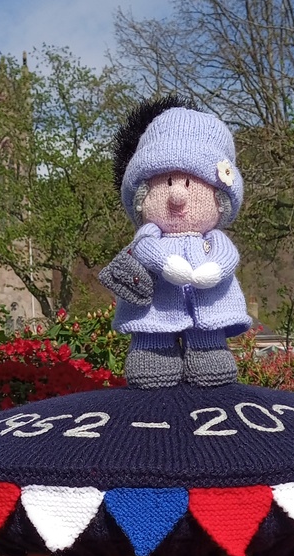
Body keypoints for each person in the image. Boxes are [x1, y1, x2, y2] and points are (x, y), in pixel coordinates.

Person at [98, 96, 252, 389]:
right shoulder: (149, 235)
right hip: (158, 301)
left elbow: (226, 255)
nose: (178, 196)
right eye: (167, 182)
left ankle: (208, 347)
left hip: (208, 300)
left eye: (190, 184)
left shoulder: (213, 239)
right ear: (143, 194)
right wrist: (165, 263)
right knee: (151, 331)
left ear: (221, 197)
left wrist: (215, 270)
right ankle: (153, 350)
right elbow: (145, 248)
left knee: (208, 330)